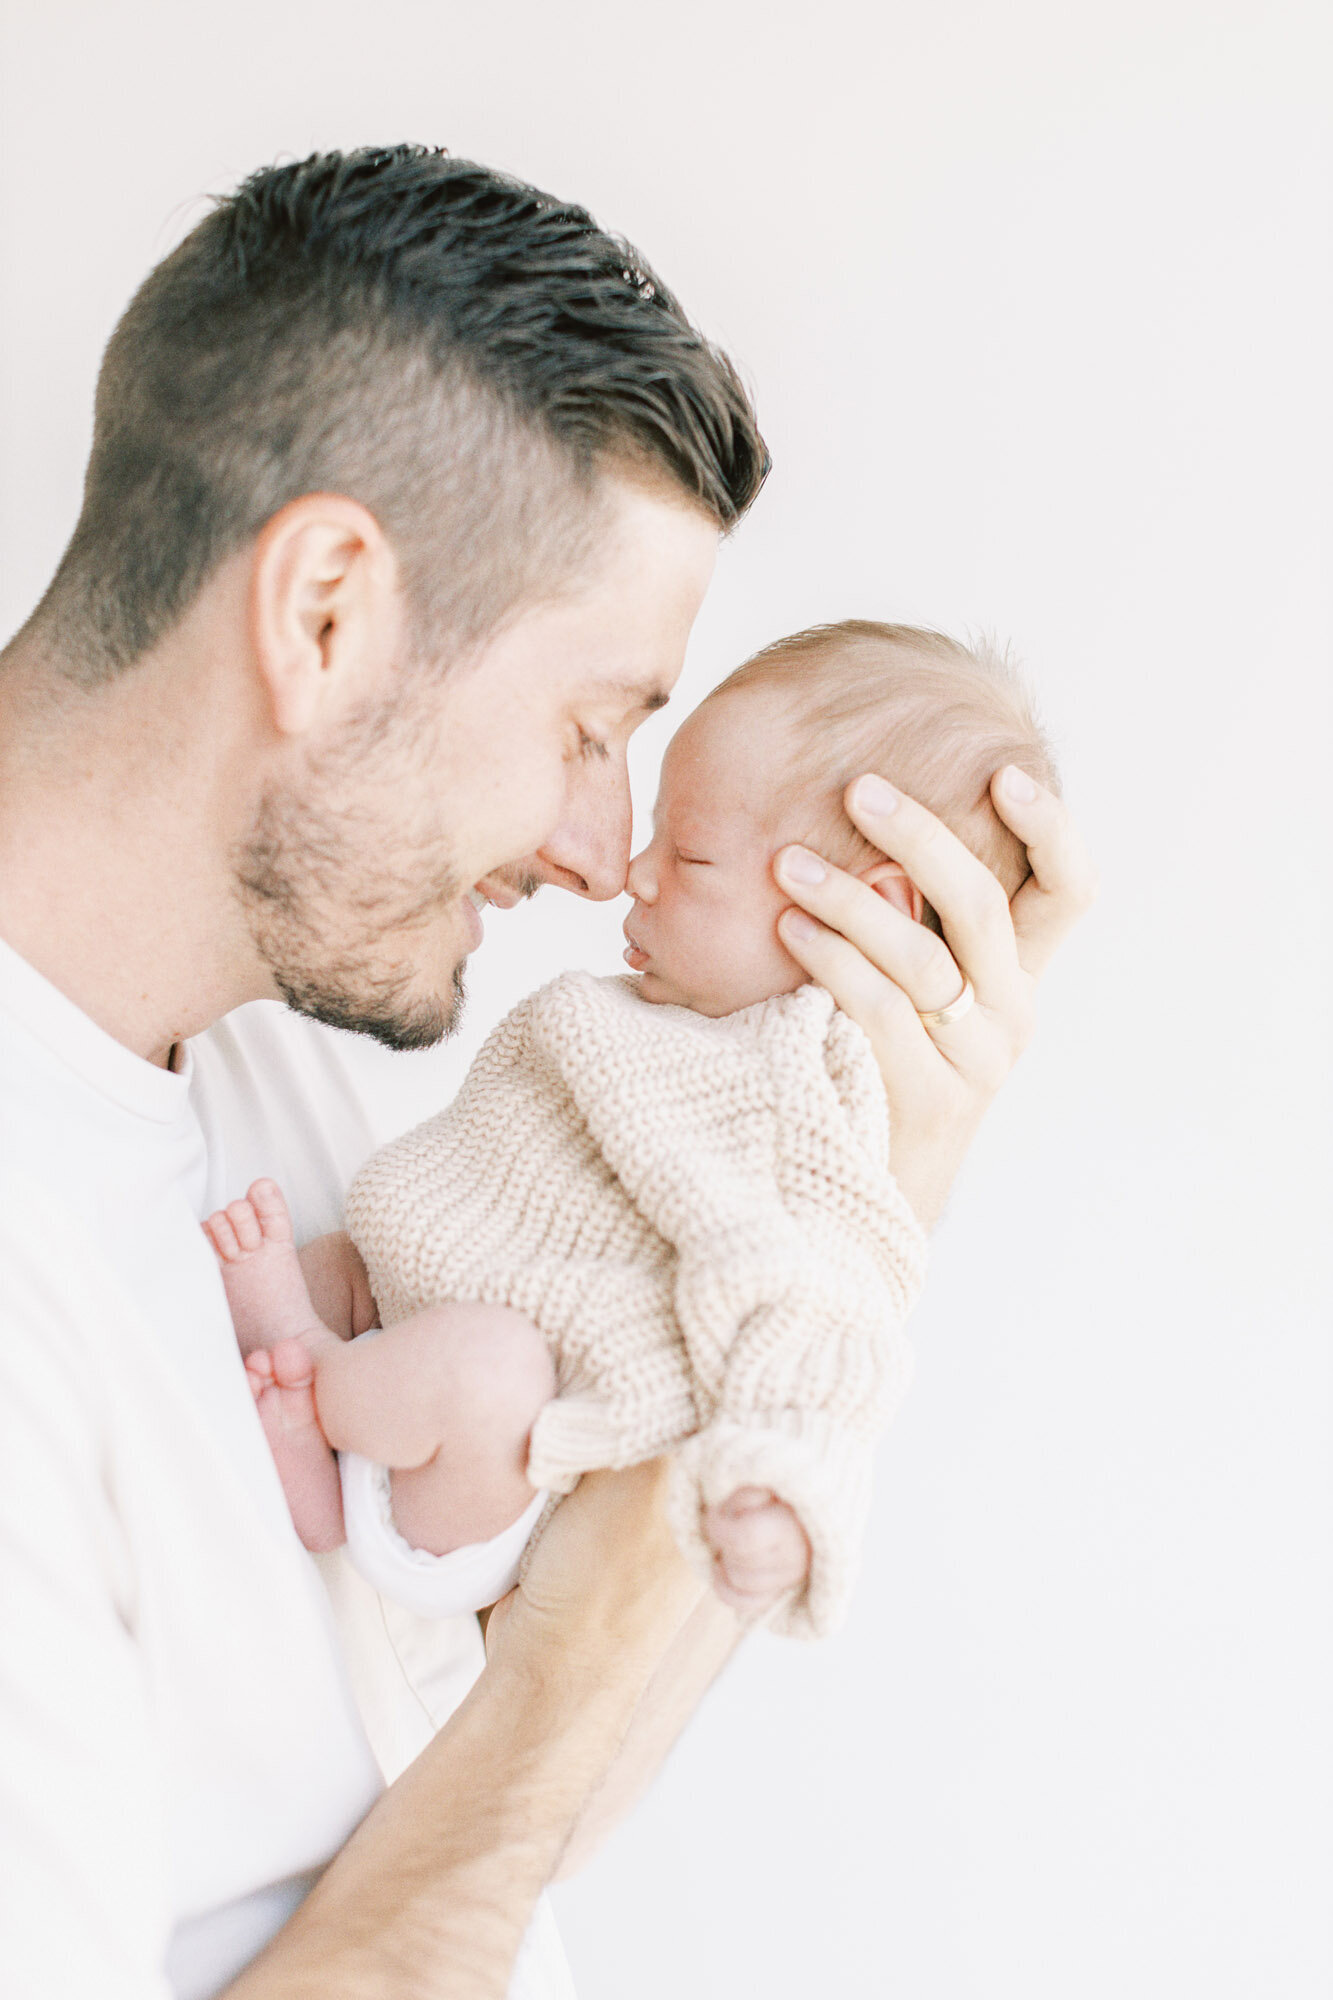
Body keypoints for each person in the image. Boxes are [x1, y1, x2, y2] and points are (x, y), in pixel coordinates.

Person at [0, 144, 1095, 2000]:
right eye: (591, 730)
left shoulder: (296, 1070)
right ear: (324, 611)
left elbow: (514, 1798)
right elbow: (530, 1741)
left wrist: (868, 1182)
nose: (602, 855)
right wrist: (572, 1662)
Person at [203, 620, 1058, 1646]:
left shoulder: (805, 1106)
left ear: (854, 912)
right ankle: (313, 1367)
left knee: (488, 1367)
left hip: (488, 1469)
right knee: (347, 1240)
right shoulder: (638, 1018)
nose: (631, 874)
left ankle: (310, 1392)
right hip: (398, 1311)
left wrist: (783, 1488)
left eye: (688, 855)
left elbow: (829, 1308)